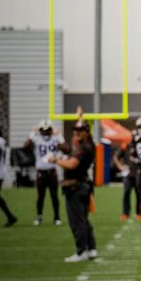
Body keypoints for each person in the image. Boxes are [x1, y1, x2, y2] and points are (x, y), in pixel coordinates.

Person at [50, 110, 96, 261]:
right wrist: (80, 117)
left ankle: (81, 251)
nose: (76, 134)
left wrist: (56, 160)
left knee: (77, 221)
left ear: (85, 133)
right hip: (83, 185)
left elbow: (72, 164)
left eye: (79, 131)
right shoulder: (89, 144)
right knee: (83, 219)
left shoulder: (83, 148)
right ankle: (91, 249)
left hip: (76, 187)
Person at [24, 120, 63, 225]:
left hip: (52, 172)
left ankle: (57, 217)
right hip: (41, 172)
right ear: (40, 130)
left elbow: (66, 149)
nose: (45, 132)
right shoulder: (36, 139)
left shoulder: (55, 139)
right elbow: (25, 146)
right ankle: (39, 217)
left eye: (48, 130)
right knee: (40, 196)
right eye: (43, 130)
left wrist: (59, 135)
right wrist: (32, 134)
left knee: (54, 196)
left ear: (51, 130)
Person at [113, 139, 136, 222]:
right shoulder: (126, 146)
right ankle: (125, 213)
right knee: (126, 192)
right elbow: (116, 157)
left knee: (140, 194)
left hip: (138, 173)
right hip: (128, 173)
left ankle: (139, 213)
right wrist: (120, 166)